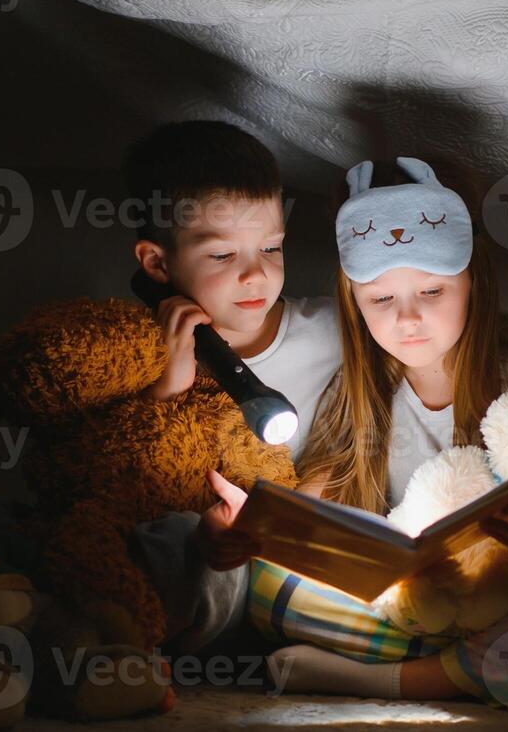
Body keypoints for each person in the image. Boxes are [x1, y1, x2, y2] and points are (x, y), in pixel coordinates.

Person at [206, 155, 508, 710]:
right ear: (355, 303)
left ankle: (407, 681)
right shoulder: (362, 392)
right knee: (265, 581)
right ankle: (480, 667)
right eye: (381, 300)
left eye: (432, 293)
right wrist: (269, 529)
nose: (407, 319)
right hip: (415, 614)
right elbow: (318, 512)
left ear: (472, 283)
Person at [119, 120, 342, 659]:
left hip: (293, 565)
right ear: (156, 263)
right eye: (222, 256)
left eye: (271, 248)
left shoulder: (332, 334)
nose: (256, 276)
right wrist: (171, 389)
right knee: (168, 539)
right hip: (196, 569)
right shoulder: (134, 357)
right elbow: (128, 486)